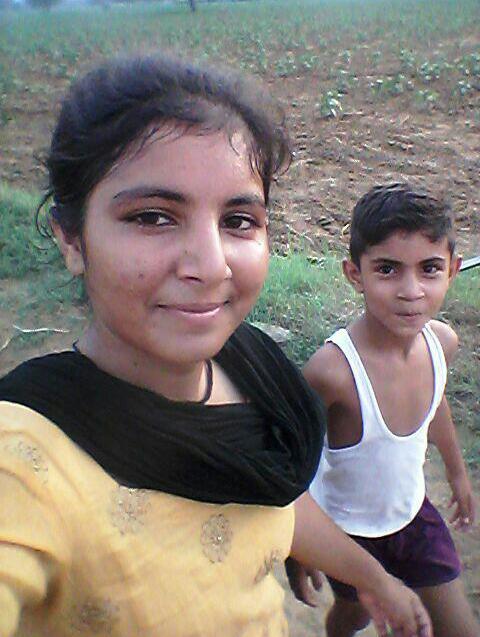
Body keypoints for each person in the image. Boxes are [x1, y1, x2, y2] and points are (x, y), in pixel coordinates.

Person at [0, 58, 431, 637]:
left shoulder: (251, 367)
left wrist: (375, 580)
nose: (210, 266)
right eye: (153, 217)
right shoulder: (25, 461)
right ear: (72, 240)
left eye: (239, 220)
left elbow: (270, 498)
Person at [286, 184, 479, 637]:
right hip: (347, 531)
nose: (411, 291)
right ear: (355, 274)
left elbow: (435, 402)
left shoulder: (441, 343)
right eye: (388, 269)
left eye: (430, 269)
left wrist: (457, 473)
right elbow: (292, 458)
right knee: (353, 615)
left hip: (413, 515)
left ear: (452, 270)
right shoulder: (333, 372)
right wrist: (297, 544)